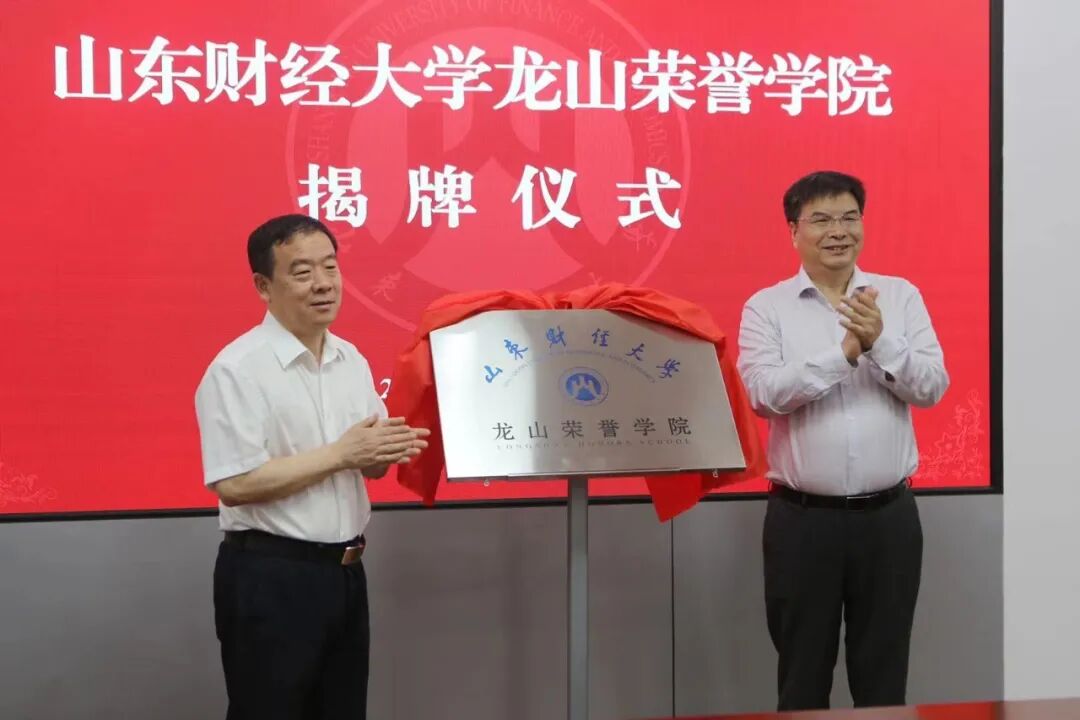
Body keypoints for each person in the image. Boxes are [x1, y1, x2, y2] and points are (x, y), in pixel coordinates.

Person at [194, 214, 430, 720]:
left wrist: (387, 450)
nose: (323, 283)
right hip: (270, 578)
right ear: (264, 286)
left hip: (345, 574)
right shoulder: (236, 370)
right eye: (302, 272)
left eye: (330, 267)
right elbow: (235, 483)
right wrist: (342, 454)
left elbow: (368, 465)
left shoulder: (351, 360)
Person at [737, 171, 949, 710]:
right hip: (802, 523)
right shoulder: (767, 307)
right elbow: (762, 394)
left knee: (884, 677)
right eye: (822, 219)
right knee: (803, 676)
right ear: (794, 230)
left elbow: (931, 387)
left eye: (850, 217)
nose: (839, 231)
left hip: (889, 520)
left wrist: (881, 343)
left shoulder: (898, 296)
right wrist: (844, 354)